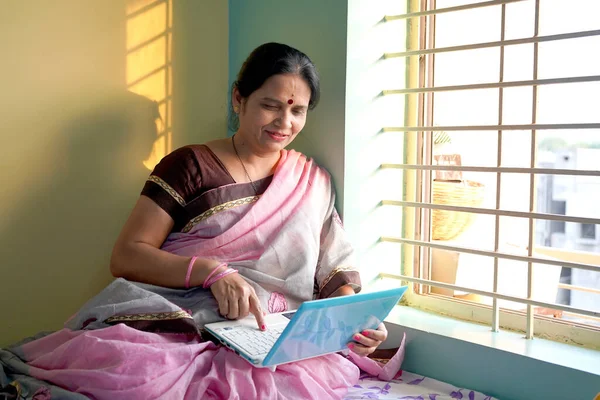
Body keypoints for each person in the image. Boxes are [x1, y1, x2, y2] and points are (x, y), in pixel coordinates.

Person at [0, 43, 395, 400]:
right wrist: (210, 272)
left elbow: (335, 274)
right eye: (271, 105)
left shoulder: (312, 181)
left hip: (270, 335)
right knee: (141, 377)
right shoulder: (188, 165)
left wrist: (355, 323)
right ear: (239, 99)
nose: (284, 122)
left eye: (297, 110)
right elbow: (126, 256)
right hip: (179, 320)